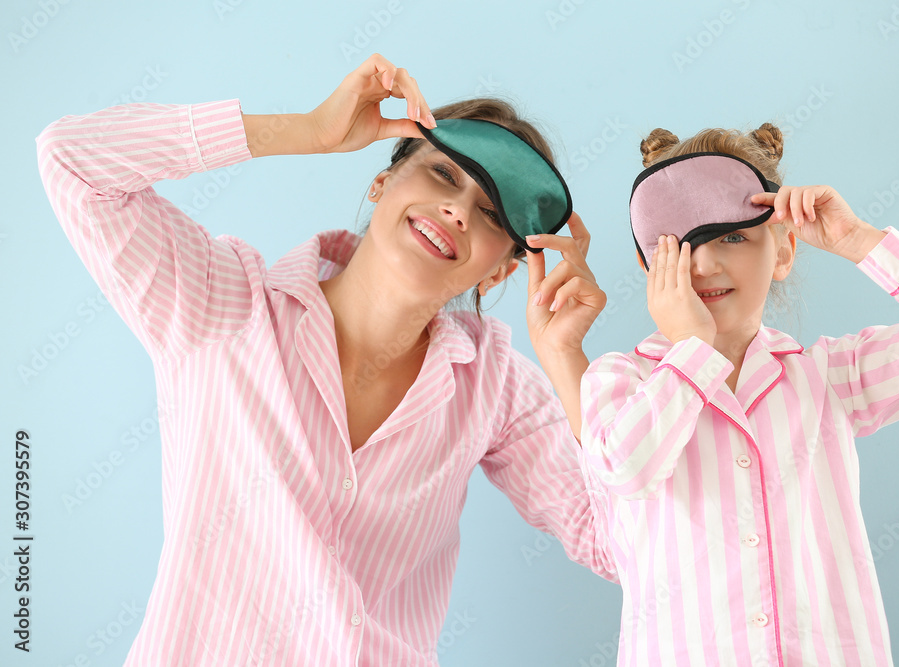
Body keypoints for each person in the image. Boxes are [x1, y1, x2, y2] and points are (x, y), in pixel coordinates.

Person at [37, 54, 614, 666]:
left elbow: (619, 545)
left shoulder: (494, 383)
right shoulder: (224, 303)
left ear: (500, 269)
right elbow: (73, 161)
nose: (458, 212)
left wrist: (566, 360)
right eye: (444, 175)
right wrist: (307, 131)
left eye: (492, 214)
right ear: (382, 182)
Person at [577, 124, 899, 666]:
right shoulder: (619, 381)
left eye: (733, 237)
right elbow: (627, 472)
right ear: (650, 265)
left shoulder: (827, 377)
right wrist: (692, 350)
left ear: (782, 252)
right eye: (682, 246)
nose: (705, 265)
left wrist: (857, 241)